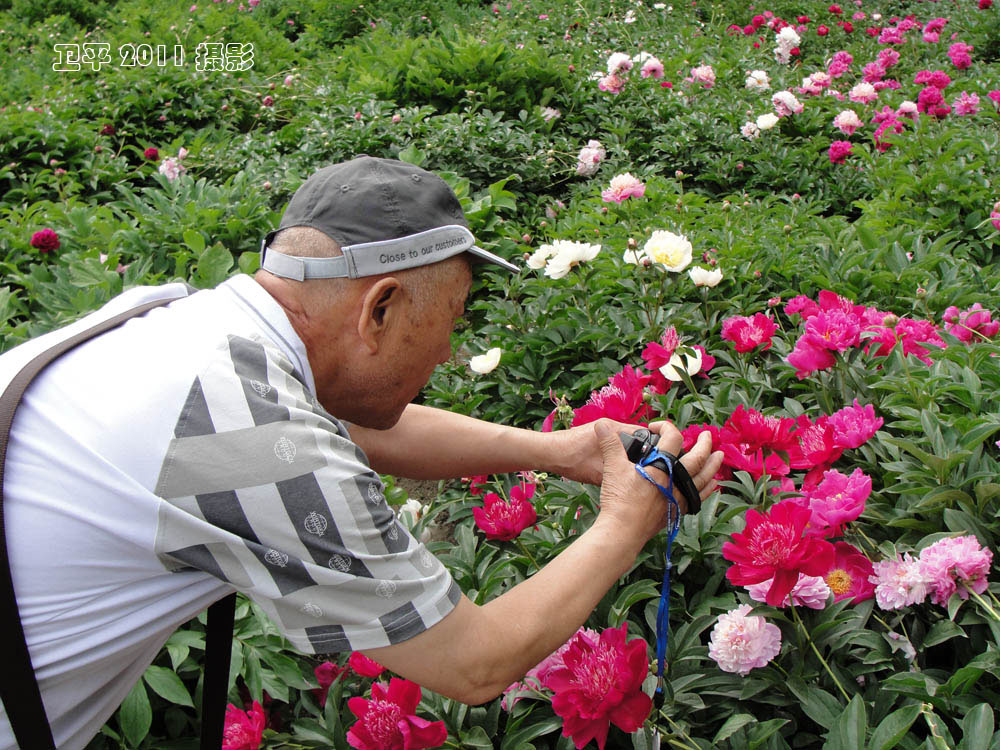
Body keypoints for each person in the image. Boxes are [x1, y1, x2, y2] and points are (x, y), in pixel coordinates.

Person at [0, 155, 723, 749]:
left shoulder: (183, 326)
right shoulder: (248, 436)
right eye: (449, 322)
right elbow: (473, 663)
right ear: (378, 308)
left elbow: (357, 429)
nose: (448, 353)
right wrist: (628, 521)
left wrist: (560, 449)